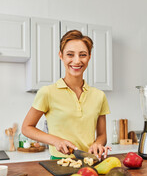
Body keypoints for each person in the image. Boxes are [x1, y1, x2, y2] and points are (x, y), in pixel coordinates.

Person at [22, 30, 111, 160]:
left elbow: (102, 135)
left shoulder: (99, 96)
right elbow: (26, 128)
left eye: (83, 55)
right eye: (70, 54)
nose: (77, 61)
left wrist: (97, 144)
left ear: (89, 57)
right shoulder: (47, 92)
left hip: (91, 162)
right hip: (59, 163)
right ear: (61, 55)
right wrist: (56, 141)